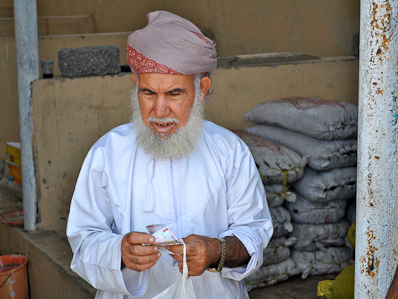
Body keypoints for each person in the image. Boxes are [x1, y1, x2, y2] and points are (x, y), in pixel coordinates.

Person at [66, 10, 273, 299]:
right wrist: (119, 253)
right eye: (148, 93)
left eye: (174, 94)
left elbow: (254, 233)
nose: (159, 112)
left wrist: (215, 251)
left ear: (201, 89)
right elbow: (83, 239)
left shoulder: (229, 151)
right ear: (135, 85)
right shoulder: (107, 152)